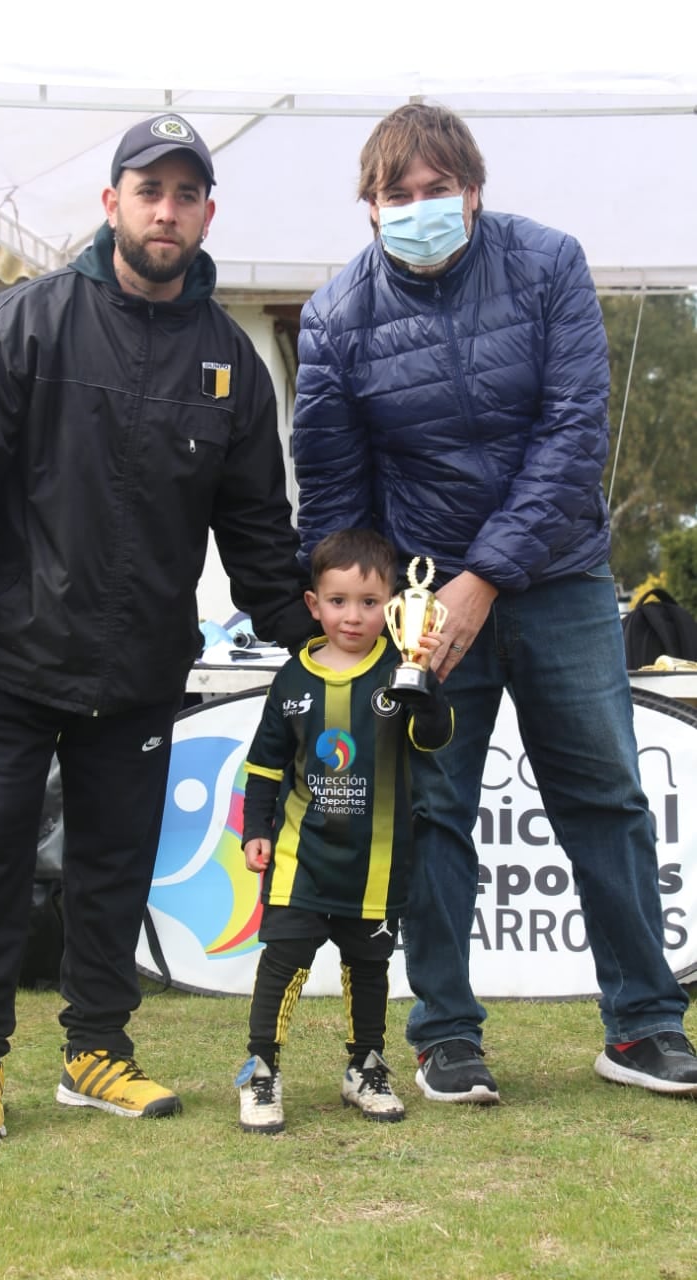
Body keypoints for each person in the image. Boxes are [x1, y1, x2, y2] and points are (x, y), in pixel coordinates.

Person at [0, 112, 315, 1142]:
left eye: (184, 194)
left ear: (206, 212)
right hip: (9, 652)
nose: (165, 211)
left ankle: (96, 1050)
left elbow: (258, 524)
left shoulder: (228, 360)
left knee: (114, 862)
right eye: (148, 190)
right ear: (112, 203)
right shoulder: (26, 321)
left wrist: (314, 631)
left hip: (137, 665)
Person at [292, 102, 697, 1104]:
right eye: (399, 196)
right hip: (421, 605)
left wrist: (486, 575)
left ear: (472, 191)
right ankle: (443, 1033)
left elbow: (571, 434)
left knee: (604, 796)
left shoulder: (549, 262)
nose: (420, 209)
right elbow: (336, 490)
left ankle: (643, 1026)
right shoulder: (335, 316)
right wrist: (369, 612)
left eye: (438, 191)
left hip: (557, 580)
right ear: (370, 206)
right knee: (430, 812)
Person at [235, 529, 453, 1133]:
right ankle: (261, 1069)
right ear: (314, 605)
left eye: (367, 603)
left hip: (377, 861)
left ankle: (365, 1065)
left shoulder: (402, 668)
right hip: (299, 858)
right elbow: (263, 768)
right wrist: (256, 828)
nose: (352, 616)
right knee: (283, 961)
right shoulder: (292, 680)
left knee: (369, 967)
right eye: (337, 601)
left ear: (393, 607)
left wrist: (426, 680)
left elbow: (433, 738)